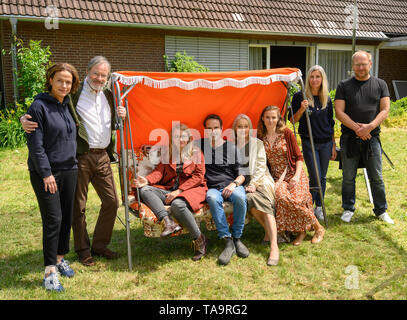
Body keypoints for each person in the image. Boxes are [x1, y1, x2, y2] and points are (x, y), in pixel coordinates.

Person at [21, 56, 127, 266]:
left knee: (112, 201)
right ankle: (83, 249)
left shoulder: (109, 94)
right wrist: (23, 118)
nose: (99, 78)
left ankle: (100, 245)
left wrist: (121, 115)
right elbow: (48, 103)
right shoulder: (73, 93)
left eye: (103, 75)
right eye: (96, 73)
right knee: (78, 206)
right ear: (88, 72)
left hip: (103, 155)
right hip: (80, 156)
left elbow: (113, 123)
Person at [26, 63, 80, 291]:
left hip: (70, 170)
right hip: (46, 173)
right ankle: (49, 272)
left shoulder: (68, 104)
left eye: (68, 82)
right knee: (53, 220)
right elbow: (36, 146)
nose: (64, 85)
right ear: (50, 80)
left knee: (66, 217)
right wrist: (46, 173)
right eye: (60, 80)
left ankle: (59, 258)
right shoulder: (38, 106)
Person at [335, 50, 394, 224]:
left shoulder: (380, 84)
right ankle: (348, 208)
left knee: (376, 177)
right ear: (353, 66)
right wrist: (356, 128)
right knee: (348, 177)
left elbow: (385, 109)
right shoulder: (344, 85)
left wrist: (369, 127)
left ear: (370, 63)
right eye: (357, 64)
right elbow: (338, 112)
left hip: (372, 138)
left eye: (363, 64)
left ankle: (381, 210)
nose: (360, 67)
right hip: (349, 139)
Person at [133, 123, 208, 260]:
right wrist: (147, 180)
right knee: (144, 190)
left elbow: (199, 176)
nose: (180, 139)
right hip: (170, 189)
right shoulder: (168, 153)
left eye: (183, 136)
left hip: (192, 189)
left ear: (189, 138)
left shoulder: (196, 152)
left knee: (178, 205)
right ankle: (168, 221)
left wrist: (179, 191)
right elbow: (159, 173)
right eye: (177, 136)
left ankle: (199, 239)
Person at [258, 106, 326, 246]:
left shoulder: (286, 133)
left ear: (278, 119)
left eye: (274, 117)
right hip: (277, 177)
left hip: (295, 173)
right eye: (268, 117)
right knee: (282, 197)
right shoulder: (260, 136)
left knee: (298, 198)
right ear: (263, 119)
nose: (271, 120)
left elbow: (299, 157)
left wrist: (295, 177)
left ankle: (313, 229)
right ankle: (312, 228)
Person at [197, 114, 248, 266]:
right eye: (209, 128)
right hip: (212, 188)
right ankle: (227, 240)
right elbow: (177, 145)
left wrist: (233, 184)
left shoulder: (231, 147)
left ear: (221, 129)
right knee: (212, 198)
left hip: (232, 184)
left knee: (240, 198)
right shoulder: (199, 145)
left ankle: (237, 238)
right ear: (205, 131)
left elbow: (242, 174)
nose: (213, 131)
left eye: (216, 128)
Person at [232, 114, 279, 266]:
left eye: (246, 126)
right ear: (235, 129)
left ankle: (274, 246)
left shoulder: (257, 143)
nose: (243, 129)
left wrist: (255, 183)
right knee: (249, 200)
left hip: (261, 179)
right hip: (244, 182)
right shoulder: (231, 145)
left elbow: (260, 166)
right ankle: (269, 231)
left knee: (264, 202)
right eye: (240, 126)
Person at [291, 65, 336, 220]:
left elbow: (331, 123)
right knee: (314, 175)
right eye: (312, 76)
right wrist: (302, 110)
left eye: (318, 76)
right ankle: (308, 204)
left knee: (322, 177)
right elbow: (292, 120)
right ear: (307, 78)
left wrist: (333, 145)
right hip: (309, 142)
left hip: (326, 143)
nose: (315, 80)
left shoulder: (326, 98)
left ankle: (319, 206)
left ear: (322, 79)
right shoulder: (300, 96)